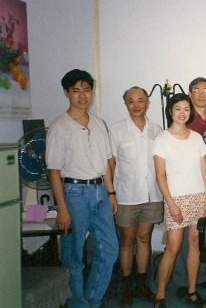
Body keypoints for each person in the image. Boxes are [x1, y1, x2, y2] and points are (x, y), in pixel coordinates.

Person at [46, 69, 119, 308]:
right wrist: (62, 208)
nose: (82, 95)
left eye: (87, 90)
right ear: (66, 93)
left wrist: (110, 193)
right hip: (74, 193)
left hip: (100, 191)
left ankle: (92, 300)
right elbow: (54, 171)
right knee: (73, 255)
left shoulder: (99, 123)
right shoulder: (59, 127)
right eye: (76, 90)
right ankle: (78, 303)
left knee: (109, 249)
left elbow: (106, 163)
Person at [152, 93, 206, 308]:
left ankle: (192, 291)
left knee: (195, 245)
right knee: (173, 247)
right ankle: (160, 295)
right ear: (170, 111)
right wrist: (171, 204)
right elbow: (160, 175)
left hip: (198, 197)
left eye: (186, 109)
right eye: (177, 108)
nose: (182, 113)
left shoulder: (196, 137)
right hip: (175, 199)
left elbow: (204, 168)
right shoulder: (162, 138)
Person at [109, 86, 163, 306]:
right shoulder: (117, 130)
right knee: (127, 241)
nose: (136, 105)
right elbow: (110, 163)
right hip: (127, 195)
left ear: (147, 103)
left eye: (140, 100)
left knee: (144, 238)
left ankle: (141, 284)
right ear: (125, 104)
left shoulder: (157, 129)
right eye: (131, 101)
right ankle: (127, 287)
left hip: (152, 194)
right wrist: (111, 193)